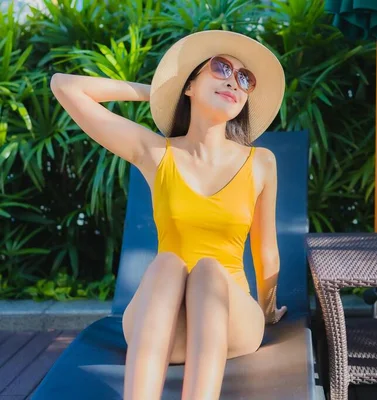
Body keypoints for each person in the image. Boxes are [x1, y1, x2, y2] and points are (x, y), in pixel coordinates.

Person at [50, 30, 288, 400]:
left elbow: (266, 250)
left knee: (209, 270)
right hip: (162, 323)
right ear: (190, 85)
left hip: (229, 319)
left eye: (245, 79)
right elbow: (64, 86)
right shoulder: (157, 154)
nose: (233, 82)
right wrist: (158, 89)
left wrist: (267, 309)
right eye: (221, 67)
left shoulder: (261, 163)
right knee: (166, 265)